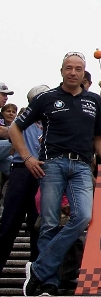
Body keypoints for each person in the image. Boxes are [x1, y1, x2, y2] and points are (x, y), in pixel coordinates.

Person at [15, 53, 101, 296]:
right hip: (52, 164)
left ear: (84, 72)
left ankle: (39, 268)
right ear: (62, 71)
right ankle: (49, 283)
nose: (73, 73)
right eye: (69, 68)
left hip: (82, 165)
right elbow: (16, 128)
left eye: (78, 69)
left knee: (83, 216)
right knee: (49, 223)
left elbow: (100, 137)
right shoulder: (46, 98)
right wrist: (27, 158)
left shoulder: (94, 101)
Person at [0, 85, 46, 280]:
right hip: (21, 171)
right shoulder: (23, 121)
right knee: (9, 223)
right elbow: (8, 131)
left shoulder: (50, 124)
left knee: (38, 226)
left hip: (43, 174)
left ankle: (36, 275)